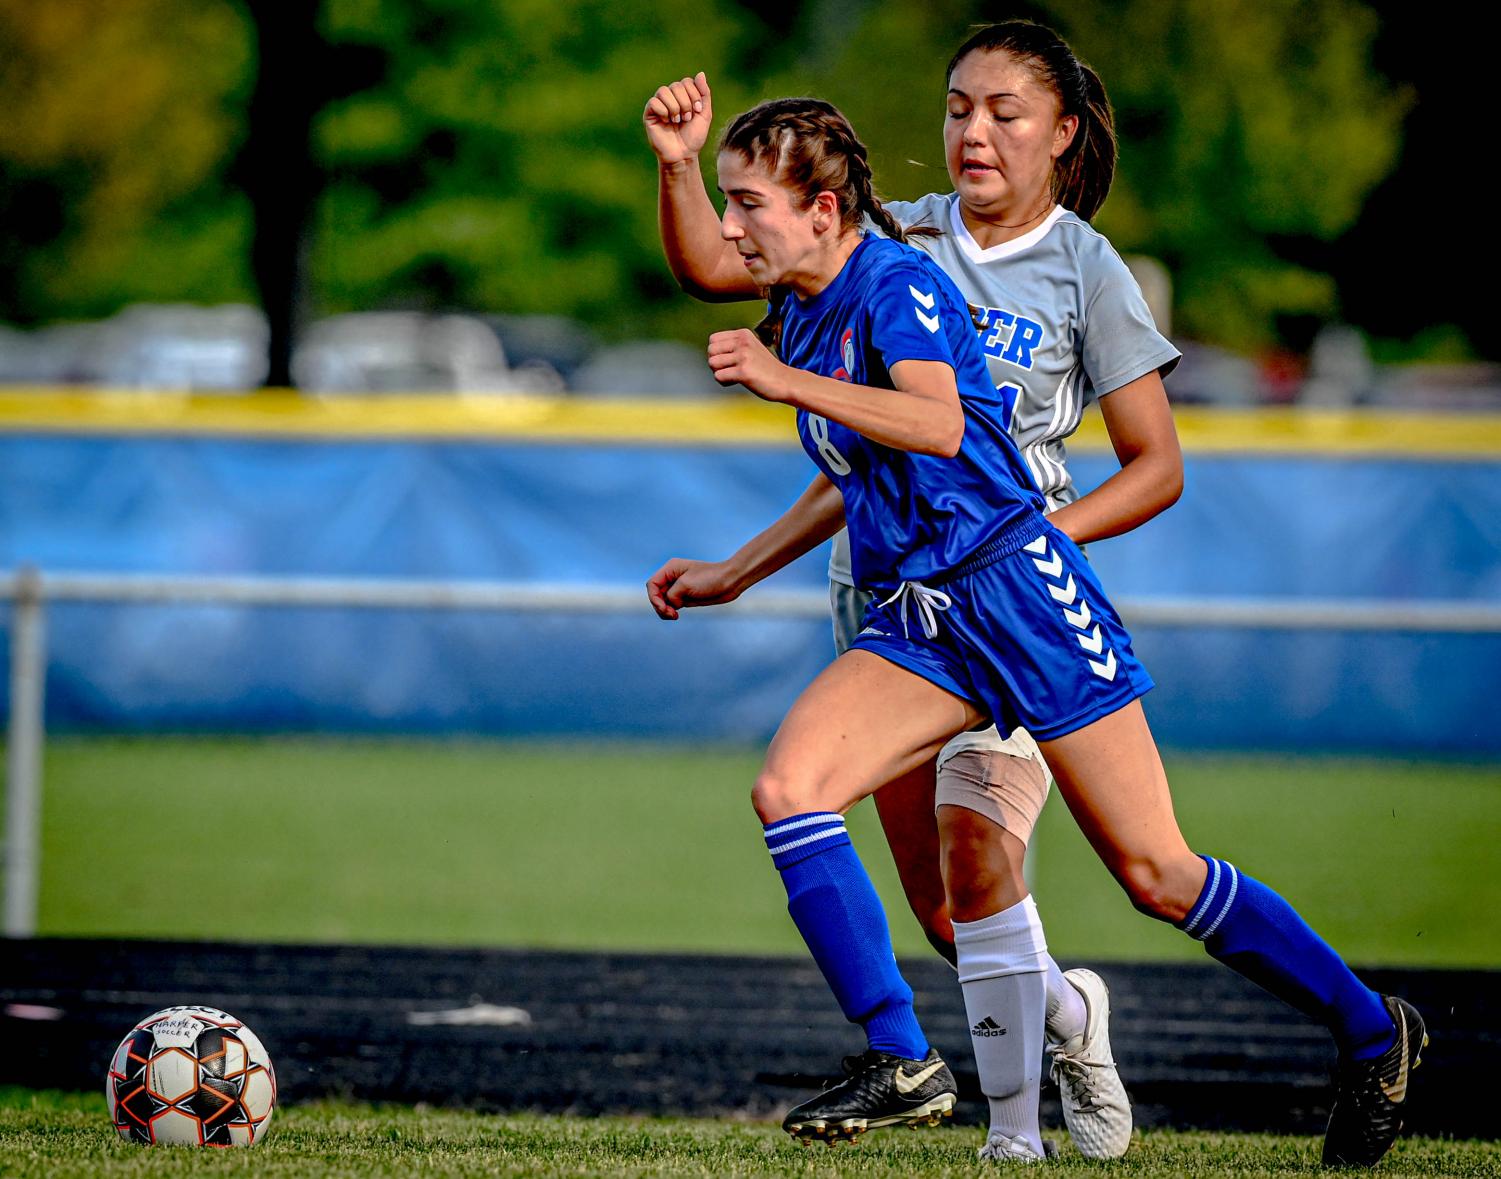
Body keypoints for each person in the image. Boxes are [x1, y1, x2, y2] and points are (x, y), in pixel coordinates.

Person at [644, 88, 1425, 1171]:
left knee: (1158, 875)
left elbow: (936, 421)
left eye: (749, 205)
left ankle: (1373, 1032)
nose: (733, 231)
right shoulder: (810, 297)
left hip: (1020, 597)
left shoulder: (896, 283)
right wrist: (737, 569)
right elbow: (856, 453)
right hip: (924, 616)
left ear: (824, 211)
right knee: (790, 791)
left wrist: (780, 382)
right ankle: (902, 1058)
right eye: (726, 205)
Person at [643, 21, 1185, 1161]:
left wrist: (1027, 544)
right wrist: (680, 166)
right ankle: (1065, 1014)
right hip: (884, 606)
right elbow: (717, 270)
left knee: (984, 852)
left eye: (1002, 110)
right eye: (955, 107)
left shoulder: (1088, 269)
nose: (972, 131)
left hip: (1005, 604)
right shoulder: (903, 231)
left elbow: (1155, 467)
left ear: (1063, 133)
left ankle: (995, 1120)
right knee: (946, 912)